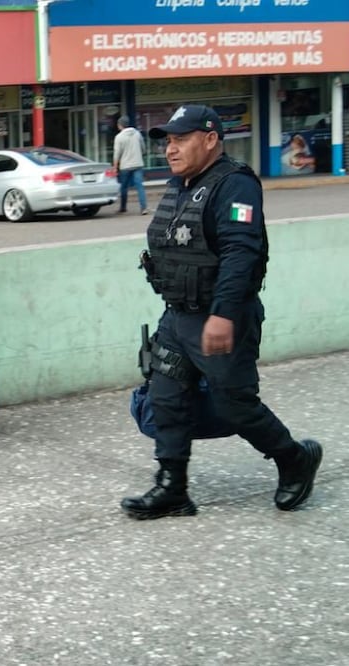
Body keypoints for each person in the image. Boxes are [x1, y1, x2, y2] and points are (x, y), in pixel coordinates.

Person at [122, 105, 322, 520]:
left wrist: (223, 314)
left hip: (221, 317)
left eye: (181, 139)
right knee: (165, 398)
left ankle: (294, 458)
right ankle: (172, 487)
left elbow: (240, 253)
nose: (170, 149)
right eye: (168, 141)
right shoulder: (180, 185)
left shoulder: (235, 185)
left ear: (211, 139)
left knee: (235, 405)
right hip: (177, 316)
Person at [112, 115, 148, 215]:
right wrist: (141, 154)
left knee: (124, 187)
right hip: (138, 163)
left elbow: (117, 153)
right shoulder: (137, 134)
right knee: (139, 186)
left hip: (125, 165)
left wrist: (115, 166)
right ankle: (143, 208)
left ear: (120, 125)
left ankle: (123, 207)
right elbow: (143, 148)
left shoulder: (119, 137)